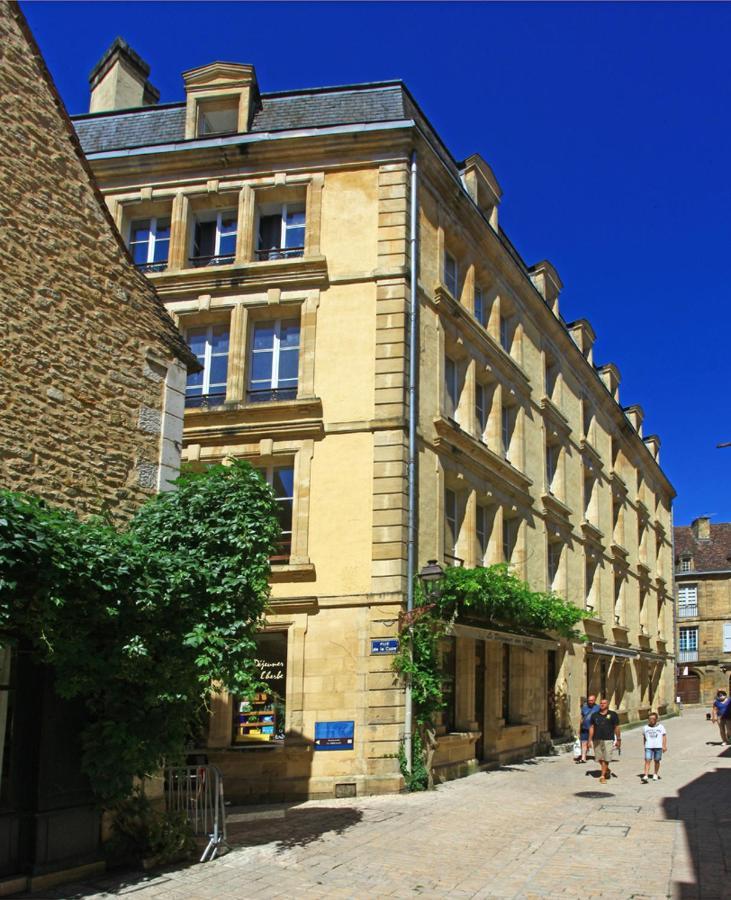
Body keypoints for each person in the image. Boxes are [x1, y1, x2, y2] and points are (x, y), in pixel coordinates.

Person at [588, 697, 621, 784]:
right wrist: (589, 740)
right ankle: (607, 769)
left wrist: (618, 739)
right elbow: (591, 727)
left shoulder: (613, 714)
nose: (602, 704)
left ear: (608, 704)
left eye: (604, 703)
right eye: (601, 703)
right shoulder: (594, 715)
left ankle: (602, 776)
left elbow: (617, 727)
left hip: (608, 739)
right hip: (597, 738)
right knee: (598, 757)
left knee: (606, 758)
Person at [641, 711, 667, 783]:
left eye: (653, 719)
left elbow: (664, 736)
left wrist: (664, 746)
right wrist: (645, 745)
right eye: (650, 719)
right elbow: (644, 737)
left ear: (656, 719)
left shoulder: (661, 727)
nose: (651, 720)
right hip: (648, 746)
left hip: (658, 746)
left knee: (657, 760)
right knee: (647, 760)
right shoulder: (645, 728)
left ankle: (655, 774)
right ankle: (645, 775)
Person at [577, 694, 600, 764]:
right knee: (583, 742)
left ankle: (598, 757)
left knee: (596, 743)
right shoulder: (584, 707)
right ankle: (583, 758)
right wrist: (579, 729)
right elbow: (582, 718)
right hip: (584, 728)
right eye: (589, 700)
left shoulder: (598, 707)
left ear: (594, 700)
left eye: (591, 700)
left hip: (595, 728)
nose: (590, 701)